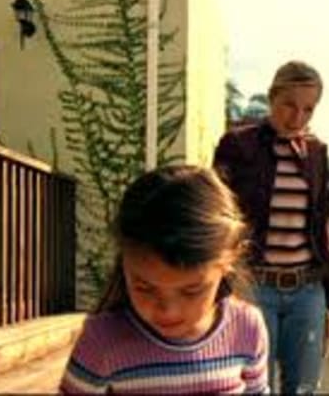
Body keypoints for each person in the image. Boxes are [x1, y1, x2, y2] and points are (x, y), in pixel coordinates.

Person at [214, 60, 329, 394]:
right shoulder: (237, 145)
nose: (298, 117)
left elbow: (321, 227)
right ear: (272, 97)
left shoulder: (316, 152)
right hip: (254, 287)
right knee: (255, 386)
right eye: (289, 105)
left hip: (306, 291)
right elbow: (218, 213)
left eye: (308, 109)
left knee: (303, 388)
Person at [59, 165, 269, 394]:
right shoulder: (102, 341)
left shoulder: (247, 327)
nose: (168, 311)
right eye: (144, 287)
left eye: (191, 291)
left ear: (230, 259)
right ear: (124, 261)